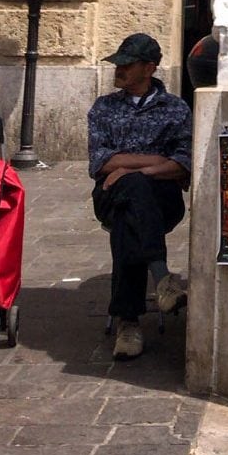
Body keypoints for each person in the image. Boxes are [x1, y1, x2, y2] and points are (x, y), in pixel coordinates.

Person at [88, 33, 192, 361]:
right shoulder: (104, 108)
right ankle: (162, 279)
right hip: (110, 194)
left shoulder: (176, 109)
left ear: (149, 68)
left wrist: (135, 171)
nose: (118, 69)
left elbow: (183, 164)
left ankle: (128, 322)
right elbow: (101, 162)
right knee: (129, 201)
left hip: (164, 199)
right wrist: (153, 164)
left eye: (127, 64)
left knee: (130, 211)